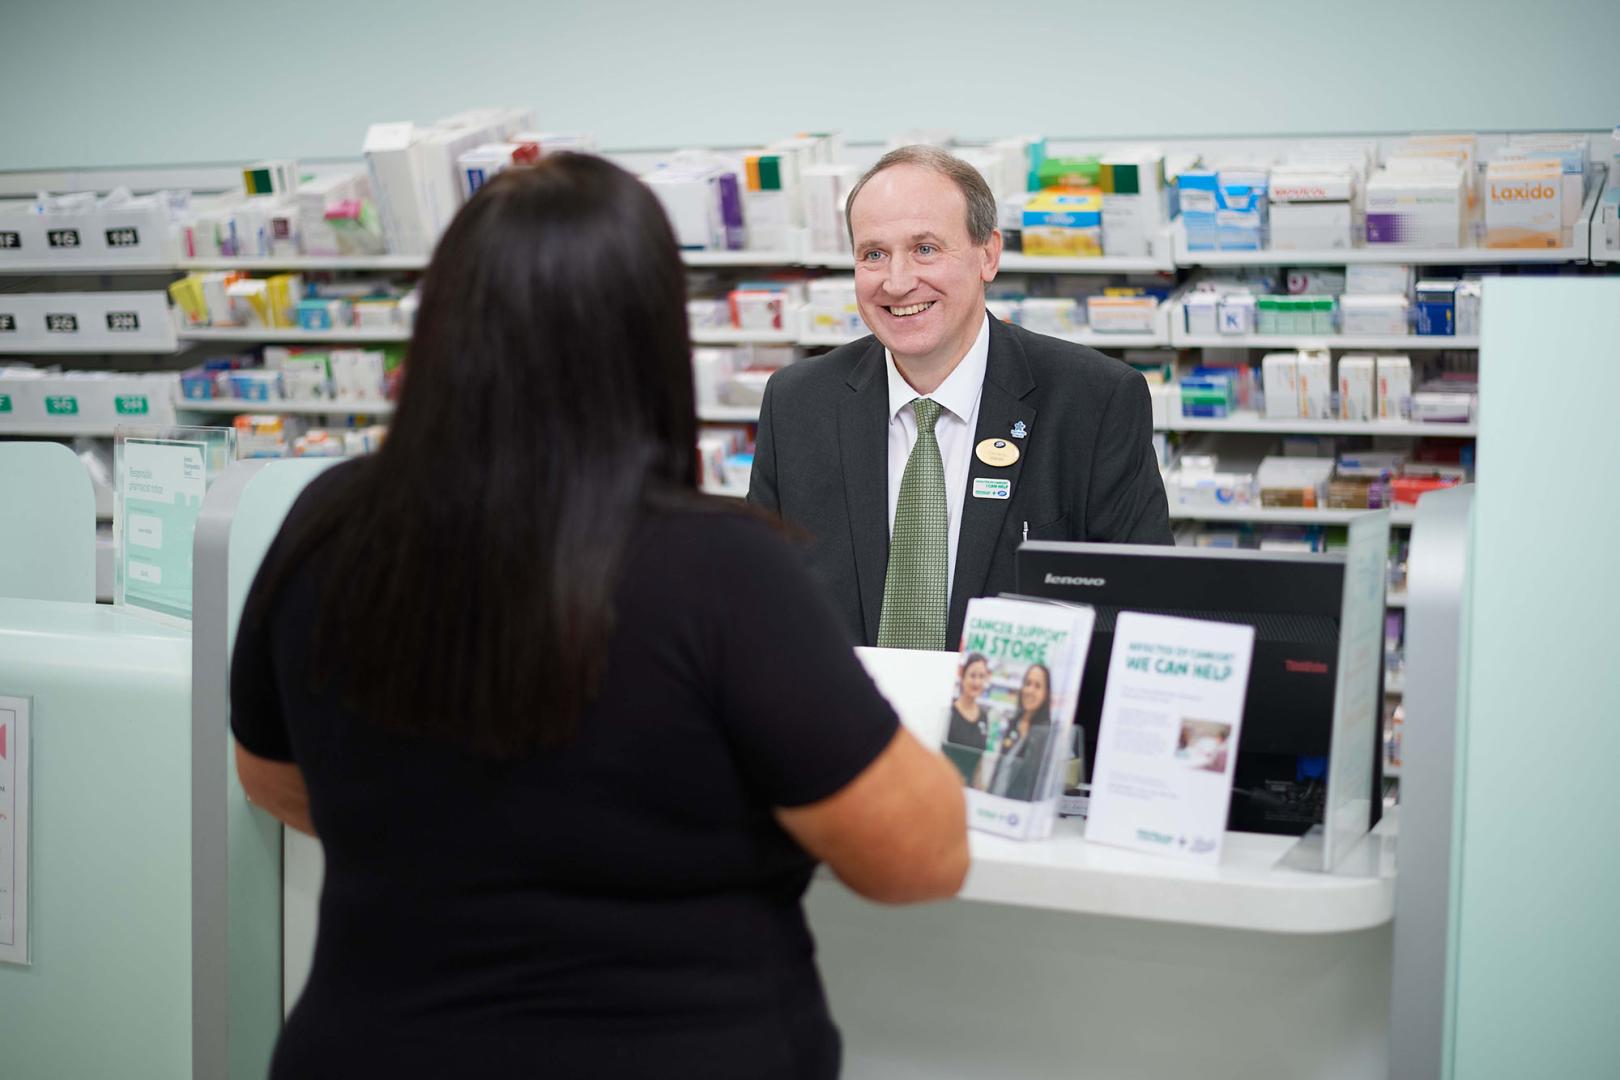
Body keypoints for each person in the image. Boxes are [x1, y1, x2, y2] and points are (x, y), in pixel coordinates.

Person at [229, 154, 969, 1080]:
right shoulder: (719, 566)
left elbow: (270, 776)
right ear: (647, 337)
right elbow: (919, 853)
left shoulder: (328, 522)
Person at [748, 145, 1172, 650]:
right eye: (874, 254)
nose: (898, 282)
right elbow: (758, 604)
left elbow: (1147, 616)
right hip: (846, 722)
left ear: (987, 255)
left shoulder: (1094, 401)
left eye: (925, 248)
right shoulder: (797, 404)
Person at [976, 663, 1054, 801]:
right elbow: (1000, 766)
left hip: (1021, 810)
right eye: (1027, 683)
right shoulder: (1013, 722)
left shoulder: (1045, 734)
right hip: (996, 804)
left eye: (1037, 686)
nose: (1030, 690)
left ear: (1046, 694)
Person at [943, 652, 991, 782]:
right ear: (963, 676)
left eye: (981, 676)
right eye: (973, 675)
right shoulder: (950, 712)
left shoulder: (984, 717)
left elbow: (979, 762)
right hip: (946, 784)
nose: (977, 682)